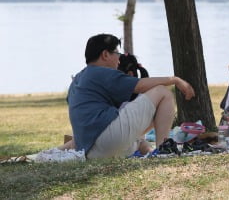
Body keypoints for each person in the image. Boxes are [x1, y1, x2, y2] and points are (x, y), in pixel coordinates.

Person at [66, 34, 195, 159]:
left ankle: (157, 149)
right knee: (163, 93)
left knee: (154, 111)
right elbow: (140, 86)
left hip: (89, 151)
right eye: (117, 53)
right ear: (105, 54)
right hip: (106, 141)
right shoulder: (101, 72)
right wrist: (175, 80)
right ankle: (164, 150)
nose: (119, 59)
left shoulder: (78, 78)